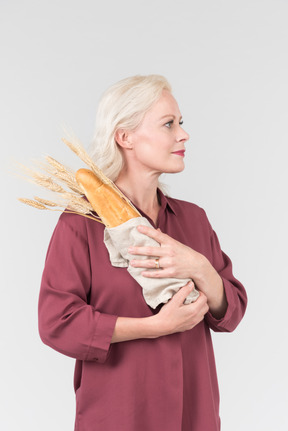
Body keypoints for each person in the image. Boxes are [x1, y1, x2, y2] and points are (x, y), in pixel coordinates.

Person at [38, 75, 247, 431]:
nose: (183, 134)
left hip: (194, 414)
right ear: (125, 137)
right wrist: (153, 327)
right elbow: (57, 322)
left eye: (181, 123)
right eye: (169, 124)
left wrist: (200, 267)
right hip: (119, 414)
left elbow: (231, 312)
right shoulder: (81, 224)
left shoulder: (193, 220)